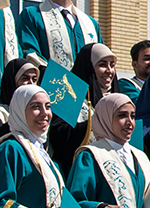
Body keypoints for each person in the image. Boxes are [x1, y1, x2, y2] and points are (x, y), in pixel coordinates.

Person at [48, 42, 120, 173]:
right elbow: (58, 136)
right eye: (102, 65)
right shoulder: (69, 95)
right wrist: (92, 124)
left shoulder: (118, 98)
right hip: (81, 169)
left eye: (112, 65)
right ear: (89, 67)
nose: (109, 70)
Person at [17, 0, 99, 72]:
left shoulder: (91, 24)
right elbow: (29, 52)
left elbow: (101, 58)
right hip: (50, 80)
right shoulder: (32, 15)